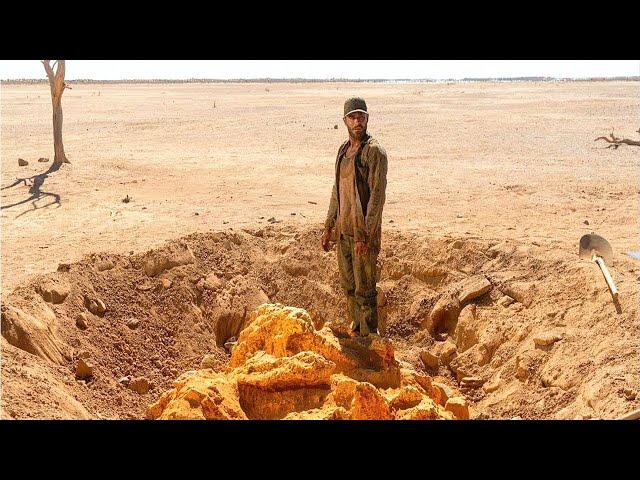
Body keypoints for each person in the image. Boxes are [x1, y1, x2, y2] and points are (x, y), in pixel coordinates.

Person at [321, 97, 388, 337]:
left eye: (361, 117)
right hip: (344, 234)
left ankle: (369, 340)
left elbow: (376, 198)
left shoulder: (374, 152)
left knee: (365, 290)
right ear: (345, 121)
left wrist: (365, 235)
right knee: (349, 287)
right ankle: (356, 331)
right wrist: (329, 226)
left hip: (363, 236)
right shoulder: (342, 151)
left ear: (368, 119)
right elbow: (336, 190)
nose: (357, 121)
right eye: (353, 117)